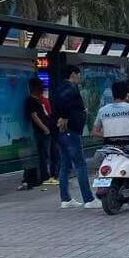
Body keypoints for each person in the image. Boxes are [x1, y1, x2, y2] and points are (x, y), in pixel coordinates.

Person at [51, 65, 97, 209]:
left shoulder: (58, 87)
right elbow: (64, 103)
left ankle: (65, 199)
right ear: (73, 74)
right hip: (70, 131)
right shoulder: (69, 87)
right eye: (79, 75)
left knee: (65, 165)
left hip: (61, 133)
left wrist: (81, 111)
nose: (80, 78)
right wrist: (65, 116)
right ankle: (89, 199)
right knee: (80, 164)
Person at [19, 77, 51, 191]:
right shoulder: (31, 100)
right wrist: (45, 128)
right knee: (40, 155)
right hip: (39, 132)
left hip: (43, 131)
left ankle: (43, 176)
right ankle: (37, 177)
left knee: (44, 155)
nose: (42, 89)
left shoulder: (38, 100)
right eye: (40, 87)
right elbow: (34, 116)